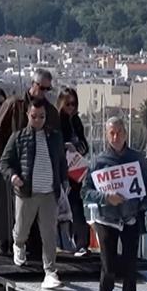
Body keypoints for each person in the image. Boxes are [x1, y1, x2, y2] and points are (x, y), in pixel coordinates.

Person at [82, 117, 147, 291]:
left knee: (130, 266)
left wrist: (143, 205)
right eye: (111, 133)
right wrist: (106, 197)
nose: (116, 137)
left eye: (119, 132)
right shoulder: (98, 162)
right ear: (107, 135)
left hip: (131, 218)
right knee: (109, 268)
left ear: (125, 134)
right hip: (106, 220)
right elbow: (85, 191)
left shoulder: (137, 159)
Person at [0, 99, 68, 289]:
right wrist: (13, 176)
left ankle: (50, 271)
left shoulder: (55, 137)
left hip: (49, 193)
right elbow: (5, 163)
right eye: (34, 116)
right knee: (22, 229)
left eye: (42, 117)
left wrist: (63, 182)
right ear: (28, 116)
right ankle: (18, 244)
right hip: (26, 193)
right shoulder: (18, 137)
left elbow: (61, 162)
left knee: (49, 234)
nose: (38, 120)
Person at [57, 88, 91, 256]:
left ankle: (81, 244)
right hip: (60, 171)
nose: (71, 107)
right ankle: (62, 243)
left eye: (74, 104)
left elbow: (85, 145)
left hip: (75, 171)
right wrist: (65, 146)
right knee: (60, 208)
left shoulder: (76, 121)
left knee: (76, 206)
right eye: (68, 103)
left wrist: (76, 148)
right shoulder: (56, 120)